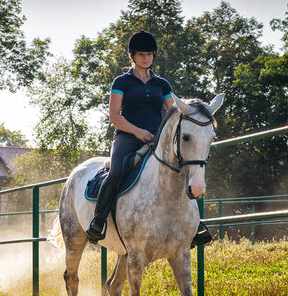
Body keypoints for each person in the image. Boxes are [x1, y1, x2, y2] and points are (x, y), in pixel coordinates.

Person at [85, 30, 211, 247]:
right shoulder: (122, 82)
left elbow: (173, 112)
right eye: (142, 54)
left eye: (150, 54)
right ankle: (98, 221)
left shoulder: (162, 84)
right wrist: (137, 131)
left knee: (184, 170)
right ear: (132, 56)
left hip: (157, 138)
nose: (146, 58)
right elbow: (114, 116)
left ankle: (194, 225)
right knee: (116, 172)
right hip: (127, 137)